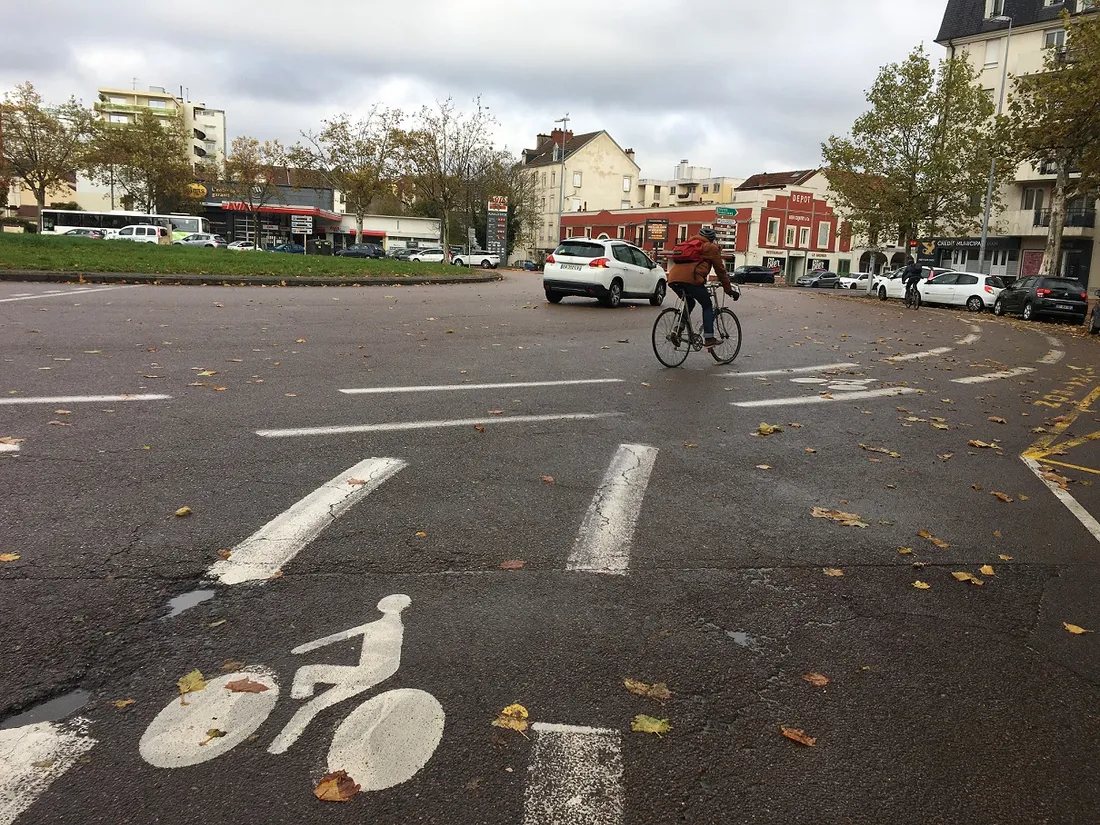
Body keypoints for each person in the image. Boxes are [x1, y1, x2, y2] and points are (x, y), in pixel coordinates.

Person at [667, 227, 736, 347]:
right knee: (707, 305)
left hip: (673, 279)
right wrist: (729, 289)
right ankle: (709, 338)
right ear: (712, 239)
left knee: (689, 302)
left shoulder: (688, 244)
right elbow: (720, 271)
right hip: (692, 279)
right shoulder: (711, 248)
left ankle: (677, 330)